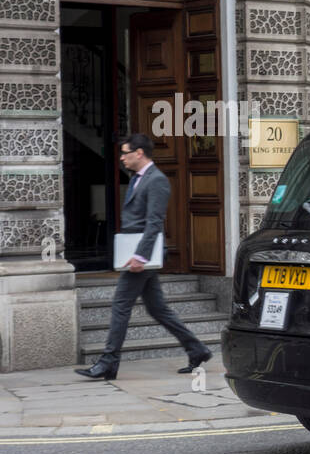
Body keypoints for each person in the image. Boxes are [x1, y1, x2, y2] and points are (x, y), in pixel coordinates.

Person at [75, 134, 212, 380]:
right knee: (158, 309)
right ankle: (197, 349)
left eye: (125, 152)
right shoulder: (139, 179)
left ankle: (108, 361)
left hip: (142, 256)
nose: (122, 157)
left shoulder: (156, 181)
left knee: (120, 305)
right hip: (138, 253)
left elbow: (154, 222)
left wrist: (140, 256)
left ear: (139, 153)